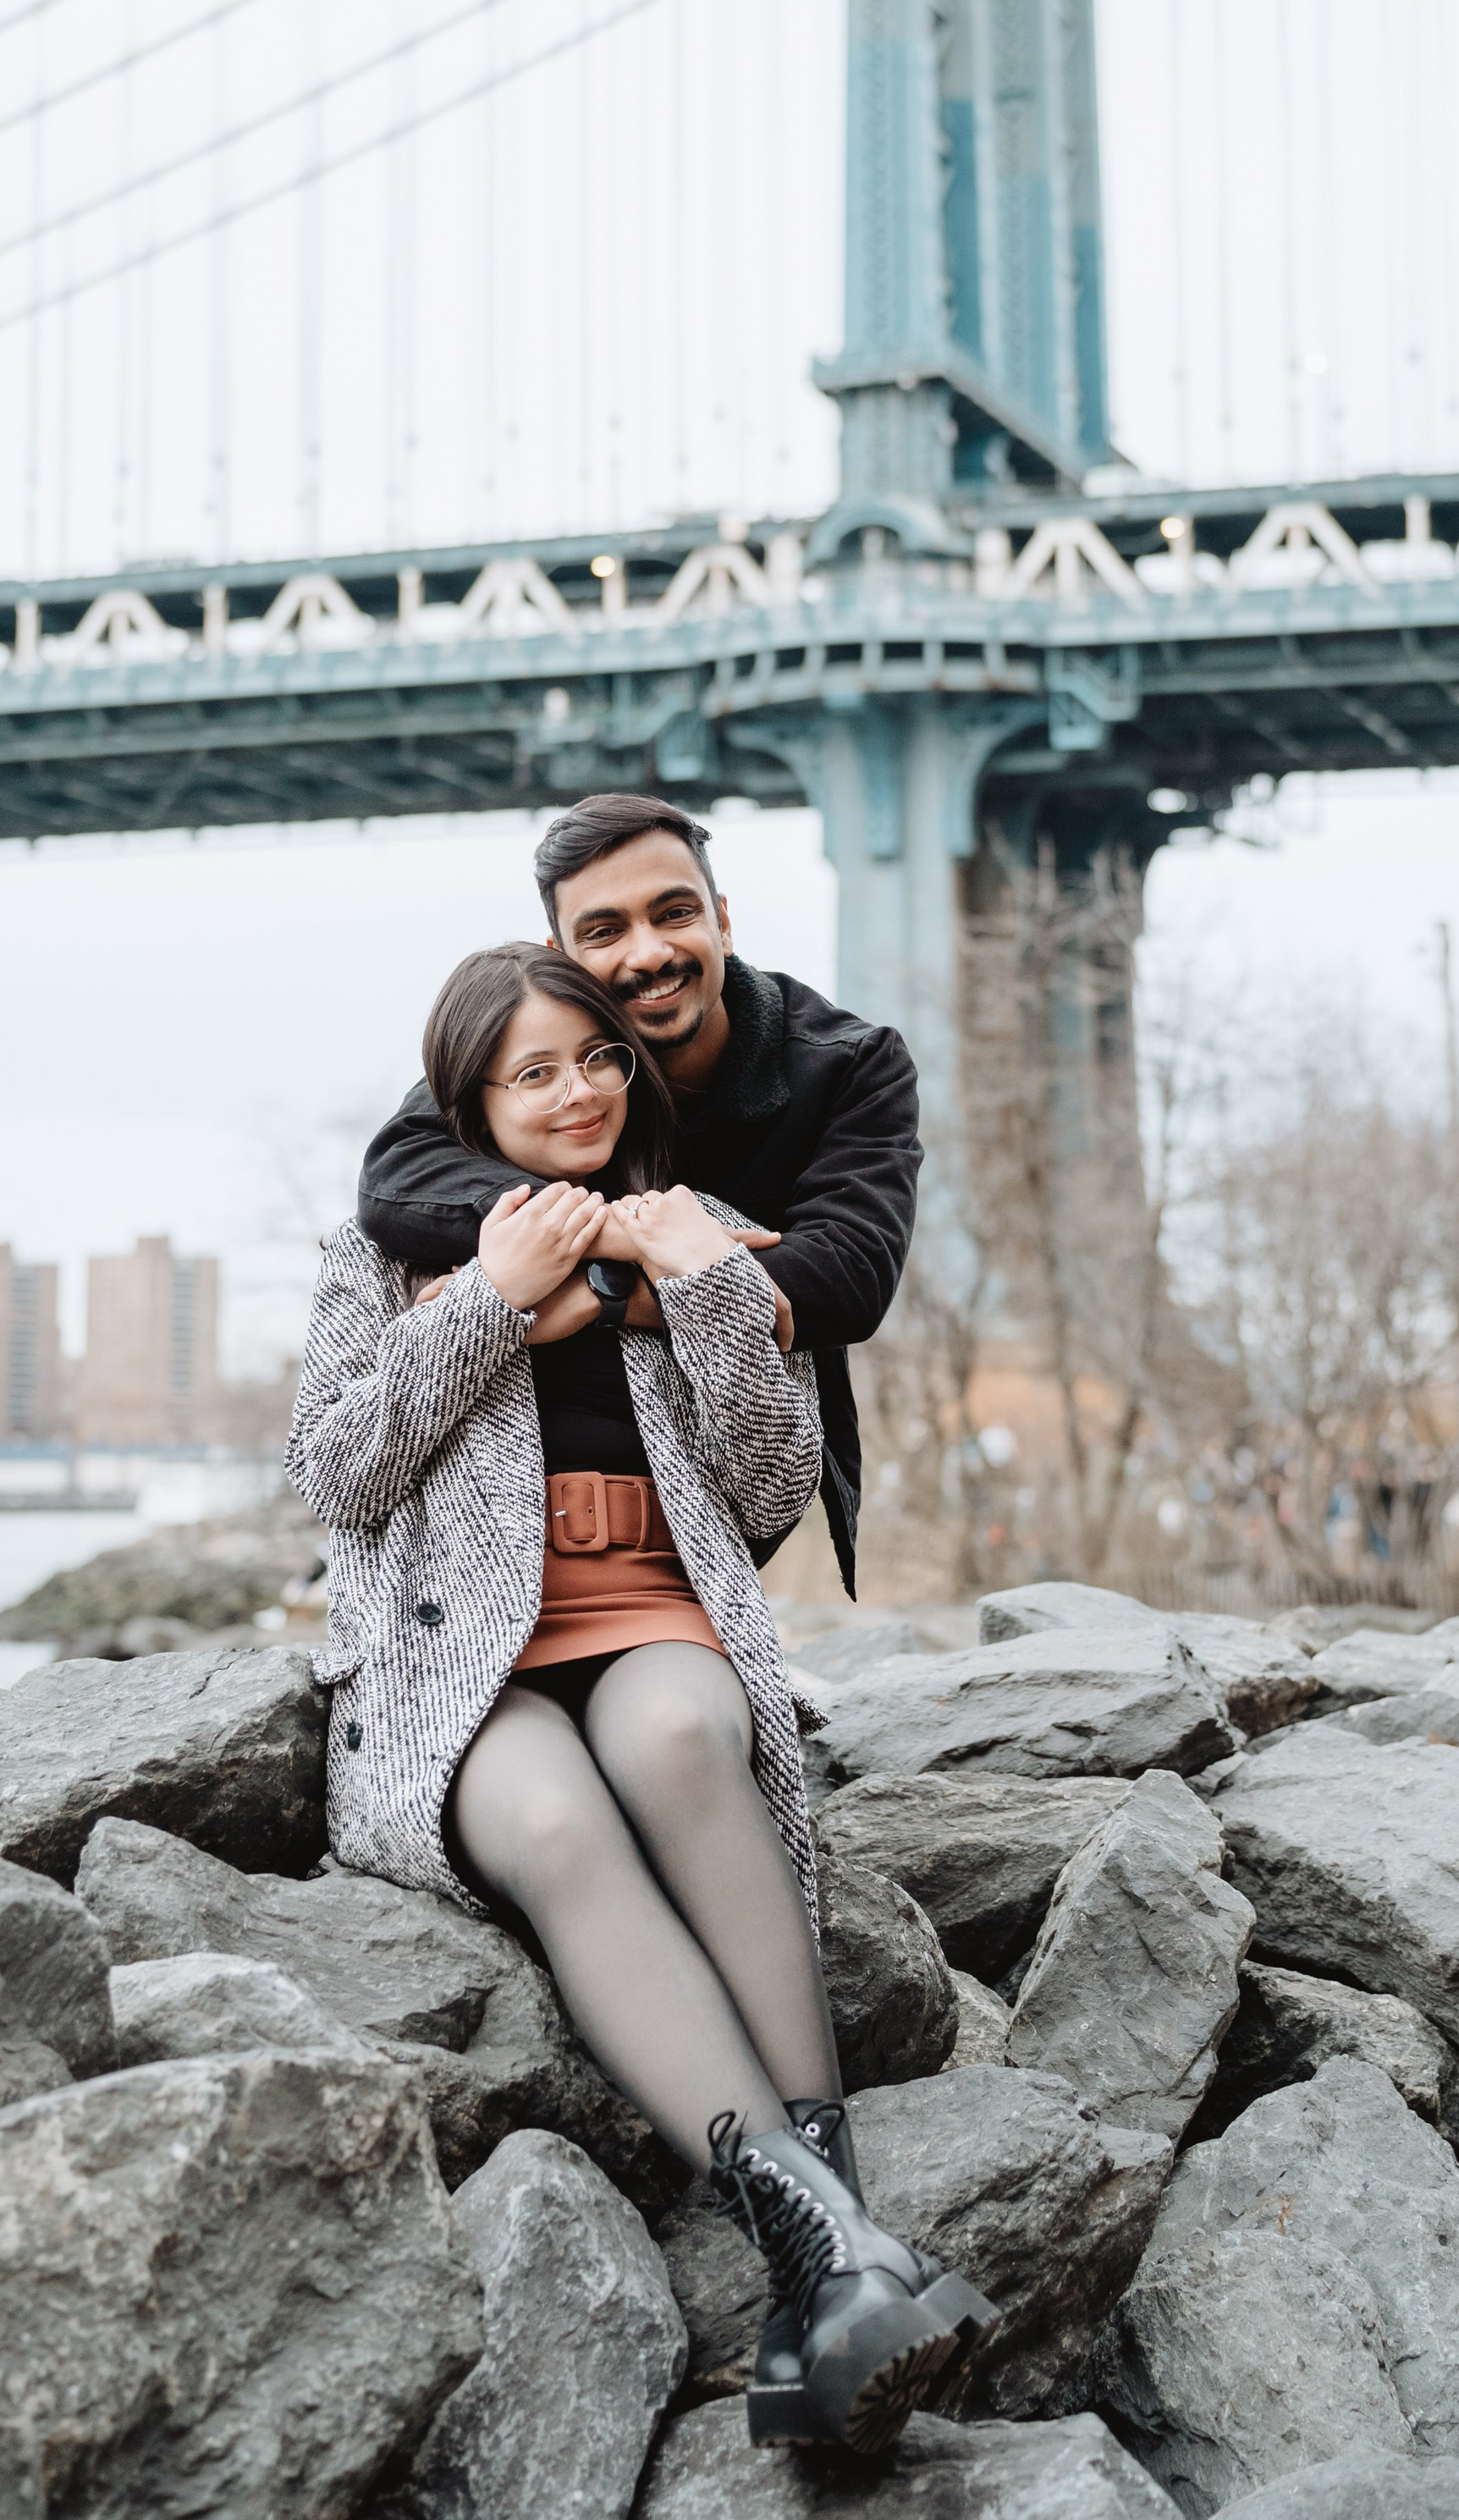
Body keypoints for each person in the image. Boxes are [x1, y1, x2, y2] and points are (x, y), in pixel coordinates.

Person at [290, 940, 990, 2456]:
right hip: (457, 1656)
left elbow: (768, 1484)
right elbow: (336, 1473)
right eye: (532, 1072)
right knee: (548, 1823)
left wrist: (718, 1295)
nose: (578, 1092)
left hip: (656, 1608)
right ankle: (840, 2262)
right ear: (470, 1097)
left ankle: (830, 2262)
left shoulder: (705, 1229)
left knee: (680, 1738)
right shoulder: (388, 1258)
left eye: (598, 1059)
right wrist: (491, 1299)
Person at [356, 793, 922, 1597]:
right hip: (506, 1524)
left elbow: (844, 1281)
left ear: (723, 920)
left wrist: (594, 1293)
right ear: (560, 958)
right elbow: (394, 1180)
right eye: (604, 930)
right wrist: (630, 1239)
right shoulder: (541, 1055)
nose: (648, 953)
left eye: (675, 912)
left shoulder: (848, 1066)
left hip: (728, 1477)